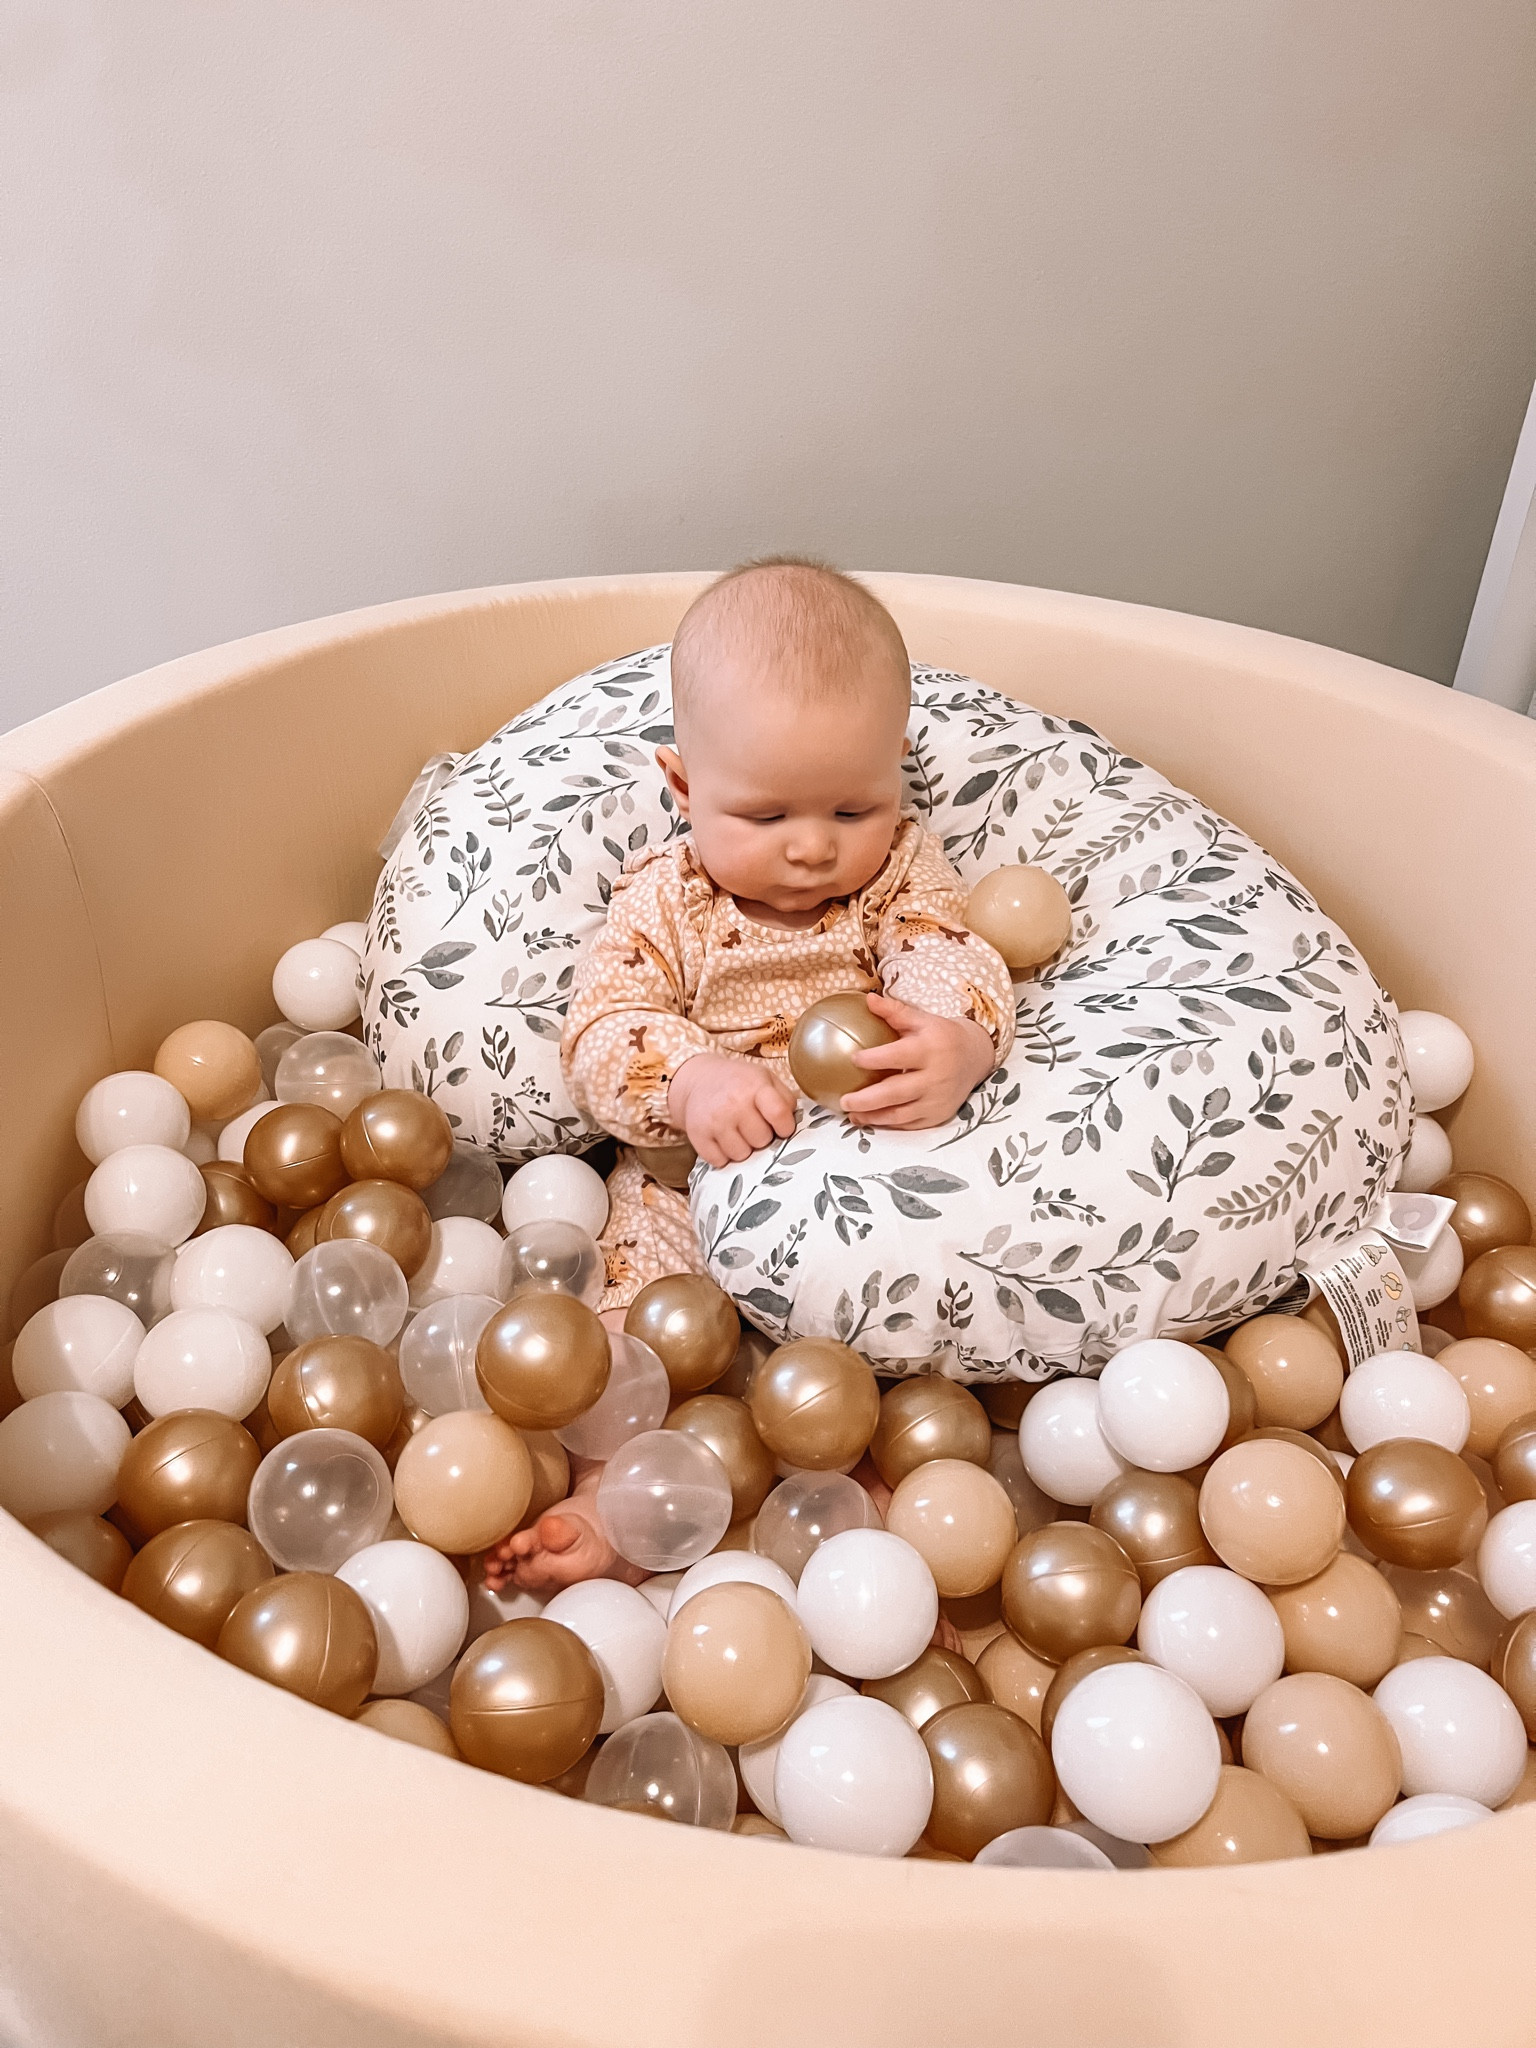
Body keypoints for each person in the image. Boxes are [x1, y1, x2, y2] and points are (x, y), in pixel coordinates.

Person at [482, 557, 1016, 1594]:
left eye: (851, 809)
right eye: (767, 817)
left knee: (871, 1352)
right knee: (627, 1338)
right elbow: (604, 1026)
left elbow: (947, 950)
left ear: (894, 774)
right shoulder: (666, 900)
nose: (814, 848)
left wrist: (960, 1038)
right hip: (691, 1182)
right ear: (685, 787)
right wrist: (691, 1080)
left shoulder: (901, 868)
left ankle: (881, 1531)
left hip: (855, 1172)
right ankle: (606, 1498)